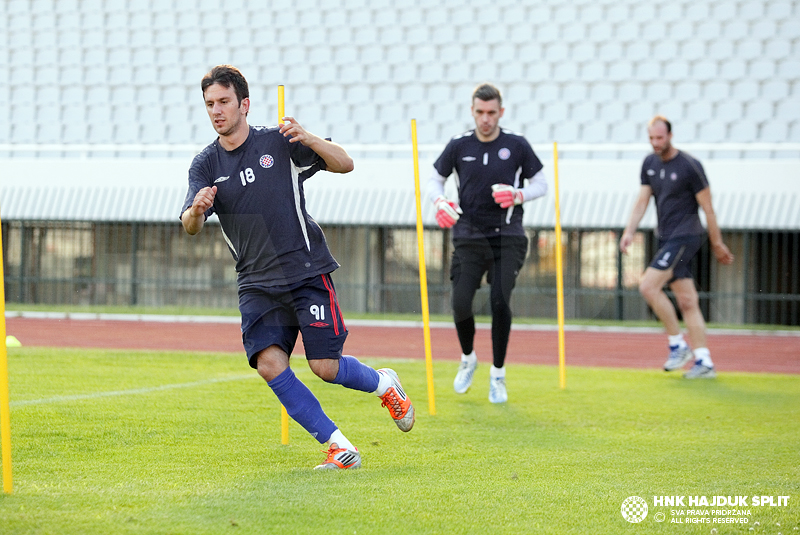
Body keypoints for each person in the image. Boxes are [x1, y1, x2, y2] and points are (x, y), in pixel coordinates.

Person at [181, 65, 414, 470]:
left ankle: (383, 384)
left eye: (223, 102)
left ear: (244, 104)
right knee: (270, 364)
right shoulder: (204, 164)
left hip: (305, 271)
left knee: (324, 367)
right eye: (209, 105)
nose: (216, 111)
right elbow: (189, 225)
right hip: (255, 282)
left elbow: (345, 163)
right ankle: (340, 447)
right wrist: (198, 210)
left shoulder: (279, 142)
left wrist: (309, 137)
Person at [428, 83, 548, 403]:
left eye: (491, 113)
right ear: (472, 111)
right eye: (480, 112)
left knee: (499, 301)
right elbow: (434, 178)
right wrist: (440, 201)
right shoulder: (458, 145)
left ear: (501, 112)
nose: (485, 119)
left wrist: (519, 195)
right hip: (467, 236)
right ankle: (468, 358)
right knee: (461, 302)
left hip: (507, 237)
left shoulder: (517, 145)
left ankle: (498, 374)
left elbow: (541, 183)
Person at [620, 115, 734, 379]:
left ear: (670, 136)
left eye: (659, 138)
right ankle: (704, 361)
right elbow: (642, 201)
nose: (655, 143)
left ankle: (677, 344)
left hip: (686, 237)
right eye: (651, 138)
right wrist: (629, 231)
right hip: (666, 237)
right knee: (687, 301)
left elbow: (708, 208)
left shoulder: (690, 166)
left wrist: (717, 243)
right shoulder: (649, 163)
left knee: (648, 286)